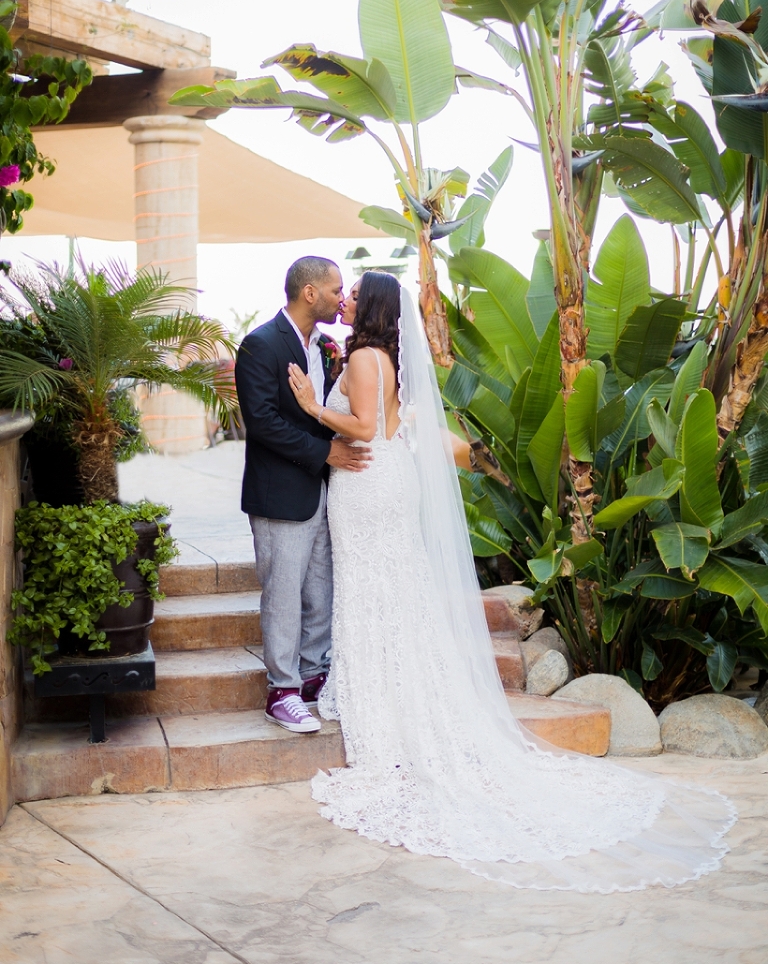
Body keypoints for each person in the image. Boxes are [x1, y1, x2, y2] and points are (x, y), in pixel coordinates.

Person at [286, 269, 736, 893]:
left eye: (359, 290)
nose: (351, 297)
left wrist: (312, 406)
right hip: (381, 486)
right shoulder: (383, 358)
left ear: (374, 307)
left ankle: (387, 705)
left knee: (377, 592)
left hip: (368, 487)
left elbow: (366, 429)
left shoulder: (363, 356)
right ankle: (389, 689)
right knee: (390, 595)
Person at [235, 256, 370, 735]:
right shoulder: (260, 344)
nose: (340, 297)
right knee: (283, 595)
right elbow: (263, 422)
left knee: (319, 592)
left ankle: (314, 677)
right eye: (335, 290)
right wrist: (325, 453)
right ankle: (282, 691)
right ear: (309, 293)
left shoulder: (329, 347)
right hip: (280, 494)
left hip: (323, 495)